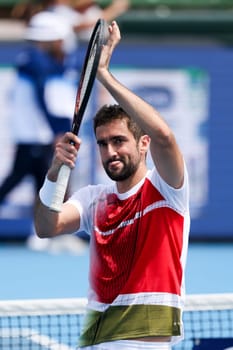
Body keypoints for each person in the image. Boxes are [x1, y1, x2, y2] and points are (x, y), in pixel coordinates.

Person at [34, 21, 190, 350]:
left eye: (119, 140)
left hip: (145, 340)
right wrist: (54, 172)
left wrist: (103, 74)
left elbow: (165, 136)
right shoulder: (94, 199)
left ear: (143, 143)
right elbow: (46, 227)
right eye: (102, 143)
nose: (110, 151)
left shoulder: (167, 190)